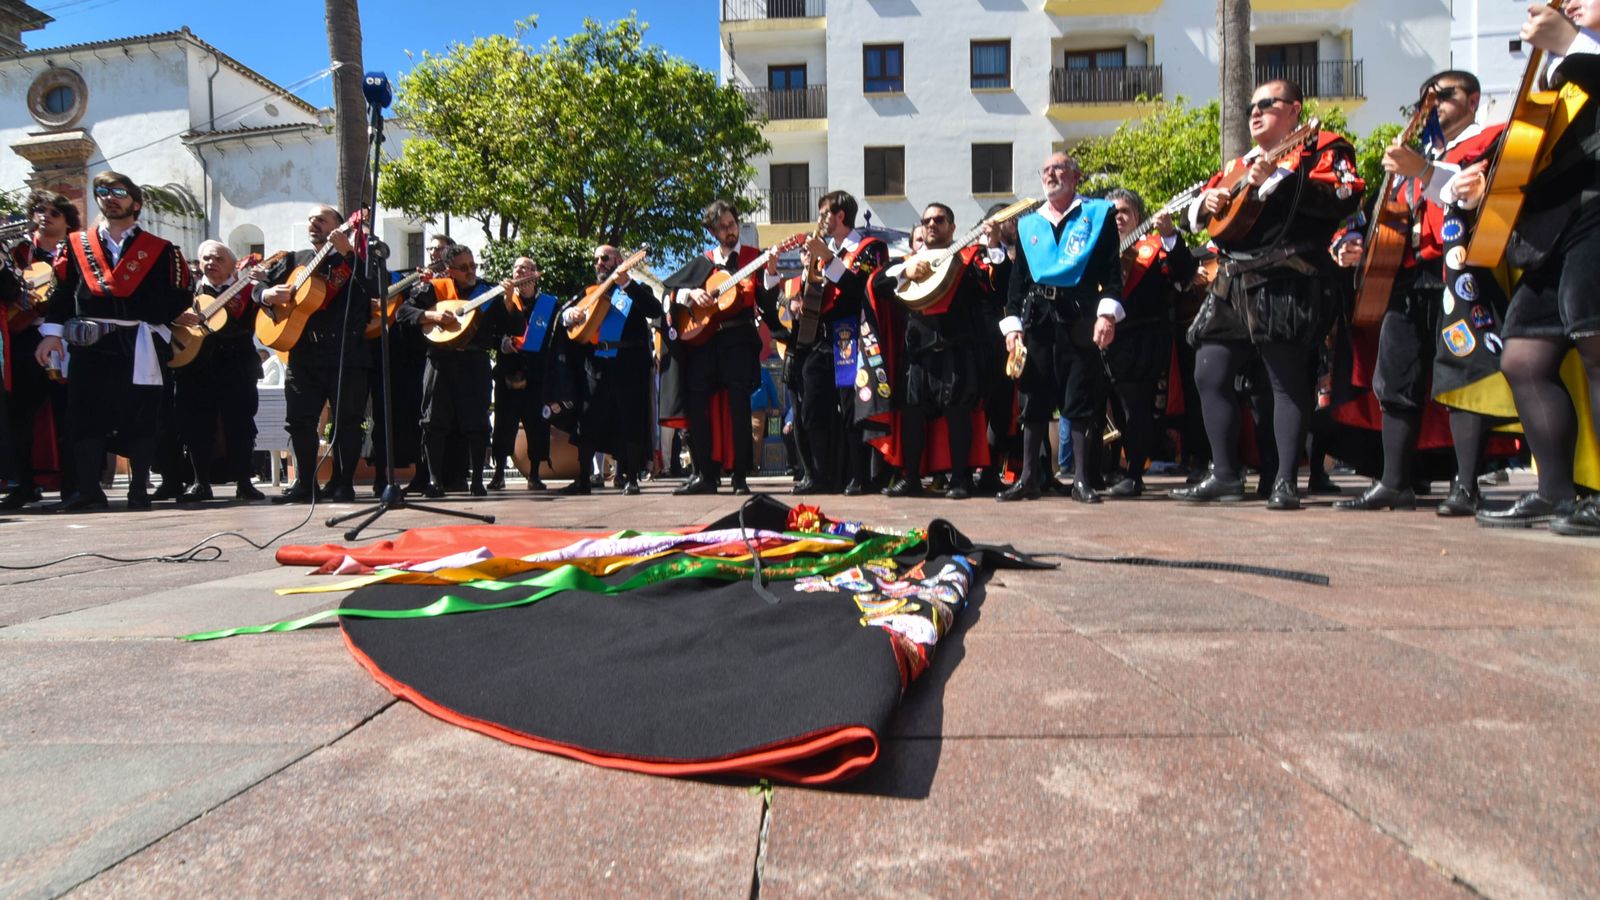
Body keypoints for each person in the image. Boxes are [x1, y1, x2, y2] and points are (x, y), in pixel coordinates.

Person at [1172, 79, 1363, 510]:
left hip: (1286, 274)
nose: (1255, 113)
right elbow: (1201, 217)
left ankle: (1284, 482)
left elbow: (1344, 196)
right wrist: (1207, 202)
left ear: (1295, 109)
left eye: (1267, 104)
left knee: (1285, 380)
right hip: (1234, 277)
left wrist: (1281, 178)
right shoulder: (1240, 162)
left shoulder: (1323, 149)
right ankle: (1224, 474)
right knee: (1209, 369)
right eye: (1250, 107)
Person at [1330, 70, 1506, 514]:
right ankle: (1394, 483)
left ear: (1472, 100)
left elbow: (1477, 195)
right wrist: (1353, 245)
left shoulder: (1491, 139)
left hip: (1460, 272)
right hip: (1405, 277)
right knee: (1395, 377)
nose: (1432, 105)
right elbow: (1381, 215)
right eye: (1425, 98)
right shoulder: (1418, 154)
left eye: (1443, 95)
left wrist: (1424, 170)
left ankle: (1466, 487)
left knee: (1462, 373)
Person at [1474, 0, 1600, 535]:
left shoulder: (1575, 53)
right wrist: (1486, 181)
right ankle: (1556, 494)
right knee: (1523, 357)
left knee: (1597, 347)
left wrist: (1571, 42)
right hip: (1553, 223)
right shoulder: (1552, 67)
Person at [32, 171, 193, 511]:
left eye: (119, 191)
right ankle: (89, 490)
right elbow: (62, 294)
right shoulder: (77, 245)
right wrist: (52, 336)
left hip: (139, 341)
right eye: (102, 191)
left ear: (135, 202)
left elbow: (179, 295)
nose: (109, 197)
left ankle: (139, 490)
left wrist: (141, 313)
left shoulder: (160, 250)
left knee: (143, 416)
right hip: (90, 341)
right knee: (84, 415)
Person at [997, 152, 1124, 503]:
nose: (1052, 174)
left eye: (1060, 168)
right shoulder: (1028, 224)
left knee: (1080, 398)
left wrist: (1107, 314)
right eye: (1047, 170)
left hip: (1080, 312)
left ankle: (1082, 480)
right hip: (1038, 317)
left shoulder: (1098, 215)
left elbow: (1112, 273)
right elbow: (1017, 283)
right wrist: (1012, 326)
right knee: (1033, 398)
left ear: (1076, 176)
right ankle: (1029, 478)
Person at [864, 202, 992, 499]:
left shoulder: (968, 258)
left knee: (957, 412)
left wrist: (993, 244)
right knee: (911, 414)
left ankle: (960, 478)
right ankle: (910, 478)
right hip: (917, 351)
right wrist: (906, 270)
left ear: (952, 227)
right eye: (927, 220)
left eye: (939, 219)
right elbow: (878, 285)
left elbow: (988, 286)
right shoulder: (909, 261)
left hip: (955, 347)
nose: (932, 224)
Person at [661, 200, 781, 495]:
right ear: (713, 232)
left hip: (738, 343)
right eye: (723, 227)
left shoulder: (754, 258)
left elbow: (766, 306)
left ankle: (740, 475)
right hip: (705, 343)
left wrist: (771, 273)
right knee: (696, 404)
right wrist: (691, 295)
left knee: (739, 407)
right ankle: (706, 474)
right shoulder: (704, 261)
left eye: (733, 224)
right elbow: (670, 292)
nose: (730, 231)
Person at [259, 205, 376, 503]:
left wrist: (349, 253)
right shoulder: (294, 260)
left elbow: (375, 288)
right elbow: (258, 283)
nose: (315, 224)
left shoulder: (358, 261)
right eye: (311, 220)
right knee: (299, 420)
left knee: (347, 421)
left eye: (322, 220)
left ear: (339, 227)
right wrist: (265, 295)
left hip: (345, 354)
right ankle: (305, 483)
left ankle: (343, 483)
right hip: (303, 353)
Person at [786, 190, 888, 495]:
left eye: (824, 214)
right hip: (821, 338)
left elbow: (860, 288)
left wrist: (827, 257)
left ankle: (858, 475)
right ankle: (818, 473)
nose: (820, 221)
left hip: (852, 336)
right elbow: (814, 297)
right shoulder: (826, 251)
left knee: (850, 409)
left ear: (840, 216)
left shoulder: (870, 248)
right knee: (812, 407)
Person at [396, 243, 516, 497]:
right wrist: (433, 317)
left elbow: (512, 325)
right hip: (440, 361)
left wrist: (507, 300)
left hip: (475, 363)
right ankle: (434, 480)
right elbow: (403, 312)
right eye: (463, 268)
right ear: (450, 270)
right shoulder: (436, 288)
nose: (470, 271)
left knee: (477, 422)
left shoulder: (488, 291)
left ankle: (476, 482)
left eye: (473, 265)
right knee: (433, 421)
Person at [1104, 187, 1197, 496]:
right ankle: (1103, 469)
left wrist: (1170, 235)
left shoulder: (1155, 248)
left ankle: (1134, 473)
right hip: (1103, 342)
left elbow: (1185, 275)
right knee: (1105, 411)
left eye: (1124, 212)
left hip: (1141, 340)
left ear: (1137, 217)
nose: (1118, 218)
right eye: (1112, 213)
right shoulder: (1096, 251)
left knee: (1136, 410)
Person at [559, 245, 663, 495]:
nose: (600, 263)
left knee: (630, 420)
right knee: (588, 419)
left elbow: (655, 310)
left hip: (628, 364)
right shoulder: (589, 291)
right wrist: (569, 314)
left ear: (619, 260)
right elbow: (564, 313)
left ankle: (631, 478)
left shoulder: (637, 289)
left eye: (605, 258)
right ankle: (584, 477)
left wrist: (627, 284)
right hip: (596, 364)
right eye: (596, 259)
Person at [1, 190, 79, 509]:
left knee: (69, 413)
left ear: (66, 219)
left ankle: (74, 486)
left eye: (53, 212)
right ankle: (24, 484)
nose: (44, 216)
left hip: (67, 339)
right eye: (38, 210)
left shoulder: (79, 249)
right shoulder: (17, 251)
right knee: (21, 414)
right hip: (25, 338)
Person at [171, 240, 265, 501]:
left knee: (241, 424)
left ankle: (245, 481)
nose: (211, 264)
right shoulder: (186, 292)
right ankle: (200, 481)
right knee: (196, 424)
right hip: (195, 366)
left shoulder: (247, 290)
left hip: (237, 364)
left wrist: (263, 283)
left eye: (219, 259)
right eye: (207, 259)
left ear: (234, 265)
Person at [488, 256, 555, 491]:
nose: (519, 272)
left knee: (537, 425)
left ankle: (534, 474)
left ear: (535, 275)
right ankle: (498, 474)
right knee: (504, 424)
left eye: (525, 268)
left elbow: (548, 338)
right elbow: (491, 332)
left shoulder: (548, 304)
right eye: (516, 268)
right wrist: (502, 342)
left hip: (536, 373)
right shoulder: (502, 301)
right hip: (508, 371)